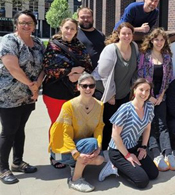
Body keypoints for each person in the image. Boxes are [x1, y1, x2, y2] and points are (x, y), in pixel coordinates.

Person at [0, 10, 45, 184]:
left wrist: (37, 86)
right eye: (22, 22)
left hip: (29, 96)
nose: (26, 26)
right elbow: (12, 67)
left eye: (30, 23)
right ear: (16, 24)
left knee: (20, 129)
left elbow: (44, 67)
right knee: (9, 131)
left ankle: (18, 162)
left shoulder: (39, 43)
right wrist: (32, 85)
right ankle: (3, 168)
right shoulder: (9, 40)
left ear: (34, 25)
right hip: (9, 94)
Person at [42, 18, 92, 169]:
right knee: (57, 125)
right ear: (61, 27)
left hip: (75, 94)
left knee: (71, 126)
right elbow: (48, 68)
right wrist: (71, 71)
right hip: (55, 93)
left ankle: (69, 153)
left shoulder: (80, 46)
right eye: (67, 28)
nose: (69, 31)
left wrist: (78, 73)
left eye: (72, 29)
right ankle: (56, 156)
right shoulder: (52, 45)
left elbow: (88, 65)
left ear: (76, 31)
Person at [48, 73, 105, 192]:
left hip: (81, 145)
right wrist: (76, 154)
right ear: (78, 87)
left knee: (100, 159)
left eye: (91, 85)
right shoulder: (69, 106)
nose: (88, 89)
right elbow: (65, 134)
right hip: (61, 151)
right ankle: (75, 179)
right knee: (91, 144)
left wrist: (98, 147)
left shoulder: (99, 106)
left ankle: (76, 164)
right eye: (84, 86)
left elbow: (99, 128)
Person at [98, 78, 159, 189]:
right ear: (134, 90)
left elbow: (147, 128)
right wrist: (127, 155)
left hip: (134, 147)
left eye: (147, 90)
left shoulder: (149, 107)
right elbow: (115, 135)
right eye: (141, 89)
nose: (144, 93)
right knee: (142, 181)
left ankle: (127, 166)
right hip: (118, 150)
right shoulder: (125, 109)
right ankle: (114, 166)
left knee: (153, 174)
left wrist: (143, 147)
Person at [137, 28, 175, 171]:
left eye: (162, 40)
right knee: (150, 125)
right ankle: (155, 153)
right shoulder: (144, 56)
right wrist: (149, 97)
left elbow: (168, 78)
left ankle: (168, 153)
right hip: (146, 98)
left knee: (162, 124)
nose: (159, 42)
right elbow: (140, 76)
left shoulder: (167, 57)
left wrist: (160, 96)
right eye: (157, 39)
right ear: (151, 40)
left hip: (161, 98)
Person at [93, 22, 139, 151]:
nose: (126, 36)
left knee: (121, 123)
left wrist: (134, 90)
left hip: (123, 92)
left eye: (129, 33)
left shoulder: (134, 47)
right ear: (118, 34)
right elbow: (104, 73)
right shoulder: (111, 49)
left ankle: (118, 150)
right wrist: (111, 95)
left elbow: (135, 71)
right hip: (106, 92)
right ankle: (105, 151)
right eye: (123, 33)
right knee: (108, 123)